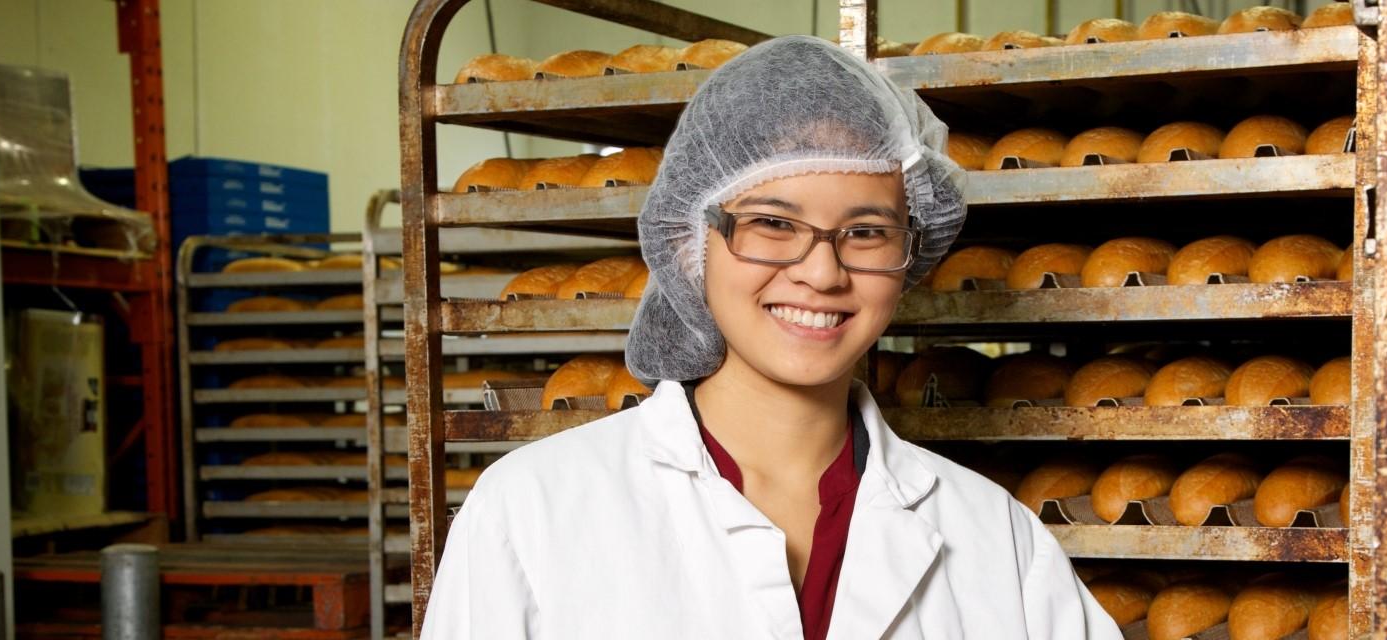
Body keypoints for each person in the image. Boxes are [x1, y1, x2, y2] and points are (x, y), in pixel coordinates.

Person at [423, 35, 1120, 639]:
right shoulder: (533, 512)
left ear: (911, 252)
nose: (822, 272)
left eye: (866, 232)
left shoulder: (997, 540)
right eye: (773, 223)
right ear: (694, 239)